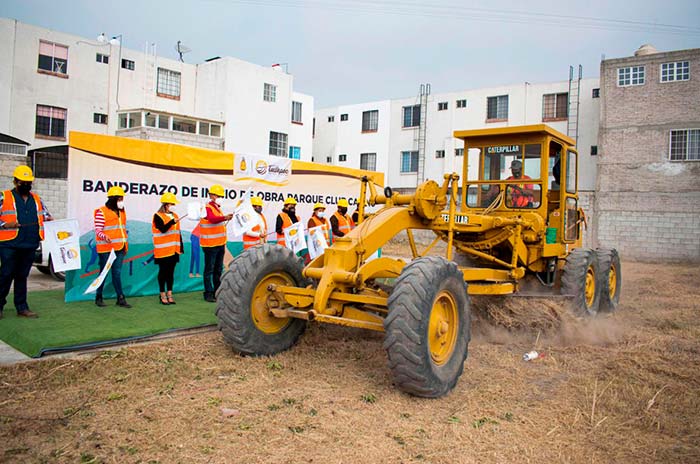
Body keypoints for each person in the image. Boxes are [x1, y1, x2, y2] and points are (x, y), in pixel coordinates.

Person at [0, 165, 53, 319]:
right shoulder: (4, 197)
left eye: (29, 182)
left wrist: (49, 219)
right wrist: (4, 224)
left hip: (29, 243)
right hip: (9, 244)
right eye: (23, 182)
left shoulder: (37, 199)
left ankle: (22, 307)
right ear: (15, 182)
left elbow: (45, 214)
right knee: (5, 274)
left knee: (22, 276)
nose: (26, 185)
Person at [93, 186, 131, 308]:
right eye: (120, 198)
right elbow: (98, 230)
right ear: (113, 199)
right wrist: (105, 237)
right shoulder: (101, 211)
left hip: (120, 248)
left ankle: (120, 298)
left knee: (117, 273)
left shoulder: (122, 212)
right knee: (103, 273)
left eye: (122, 198)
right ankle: (98, 297)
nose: (121, 201)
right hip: (106, 249)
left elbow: (121, 229)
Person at [200, 184, 232, 302]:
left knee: (218, 269)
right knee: (209, 269)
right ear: (211, 195)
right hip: (210, 245)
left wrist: (226, 217)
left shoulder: (218, 208)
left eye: (221, 196)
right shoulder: (207, 207)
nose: (220, 197)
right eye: (218, 195)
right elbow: (212, 219)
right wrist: (224, 218)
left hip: (219, 243)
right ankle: (208, 293)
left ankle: (217, 291)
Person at [152, 192, 184, 305]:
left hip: (173, 250)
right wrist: (171, 222)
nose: (173, 206)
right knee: (163, 272)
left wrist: (180, 248)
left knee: (170, 273)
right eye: (171, 204)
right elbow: (162, 229)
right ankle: (162, 294)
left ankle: (170, 293)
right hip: (162, 251)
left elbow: (177, 233)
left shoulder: (175, 215)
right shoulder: (158, 216)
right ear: (166, 204)